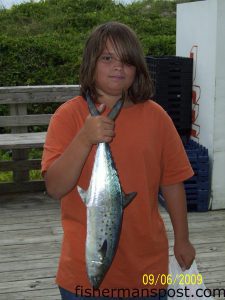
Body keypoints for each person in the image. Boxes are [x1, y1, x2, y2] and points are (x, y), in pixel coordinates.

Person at [41, 21, 196, 300]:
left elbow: (172, 181)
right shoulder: (67, 117)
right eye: (107, 58)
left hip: (149, 270)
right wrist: (85, 138)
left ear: (137, 69)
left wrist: (182, 239)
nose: (118, 67)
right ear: (91, 63)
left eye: (127, 60)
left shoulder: (156, 117)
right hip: (82, 275)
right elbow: (54, 187)